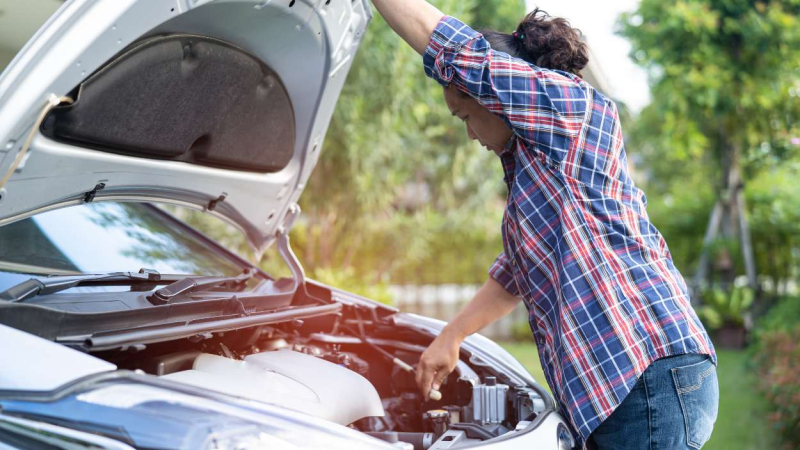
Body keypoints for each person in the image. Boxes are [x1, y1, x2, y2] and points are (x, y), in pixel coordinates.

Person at [369, 1, 719, 448]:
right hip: (628, 388)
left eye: (466, 116)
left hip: (646, 377)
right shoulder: (536, 166)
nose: (470, 134)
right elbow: (514, 272)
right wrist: (451, 336)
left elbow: (455, 50)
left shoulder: (568, 110)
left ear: (497, 95)